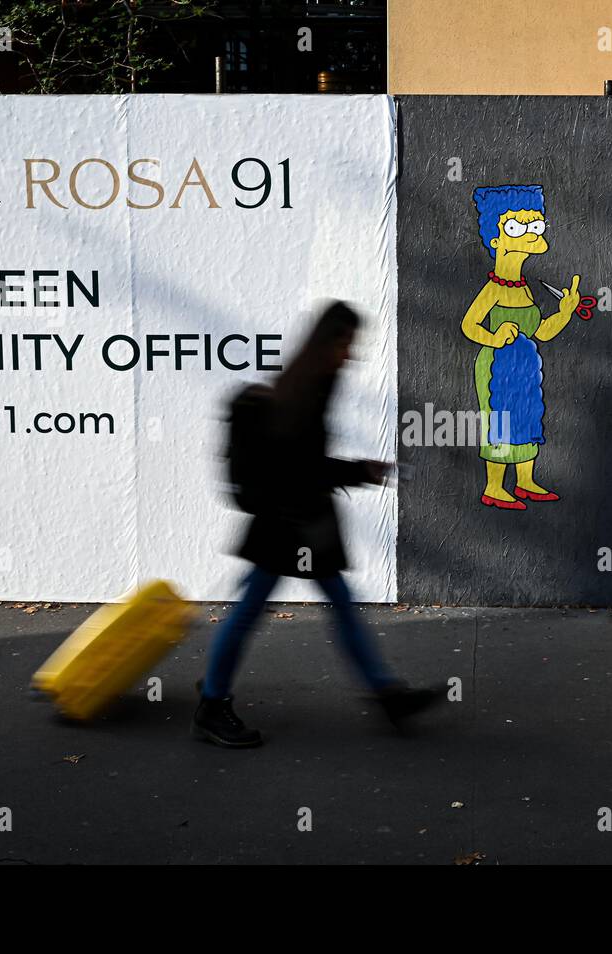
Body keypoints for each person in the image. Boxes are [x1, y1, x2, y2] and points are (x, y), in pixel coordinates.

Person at [194, 301, 438, 748]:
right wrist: (359, 472)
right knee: (253, 612)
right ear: (328, 342)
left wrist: (357, 471)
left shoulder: (312, 384)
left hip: (301, 522)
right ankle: (211, 703)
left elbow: (304, 466)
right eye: (347, 344)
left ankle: (386, 693)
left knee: (331, 607)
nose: (352, 354)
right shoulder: (304, 392)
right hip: (288, 524)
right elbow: (301, 468)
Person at [462, 184, 582, 510]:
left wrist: (565, 312)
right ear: (497, 240)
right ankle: (494, 487)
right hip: (497, 366)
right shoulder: (494, 288)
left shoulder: (525, 288)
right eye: (518, 226)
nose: (531, 232)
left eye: (535, 224)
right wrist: (494, 335)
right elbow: (469, 325)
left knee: (527, 417)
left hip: (526, 364)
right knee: (501, 421)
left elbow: (541, 331)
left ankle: (525, 481)